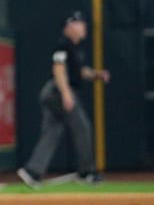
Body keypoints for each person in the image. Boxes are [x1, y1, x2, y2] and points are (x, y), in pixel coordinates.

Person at [18, 12, 108, 187]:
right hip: (58, 91)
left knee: (51, 132)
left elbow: (81, 72)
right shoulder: (63, 45)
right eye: (79, 24)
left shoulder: (75, 48)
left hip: (55, 92)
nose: (83, 27)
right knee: (82, 127)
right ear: (69, 27)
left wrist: (97, 75)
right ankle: (86, 172)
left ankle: (33, 171)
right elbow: (58, 69)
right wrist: (66, 94)